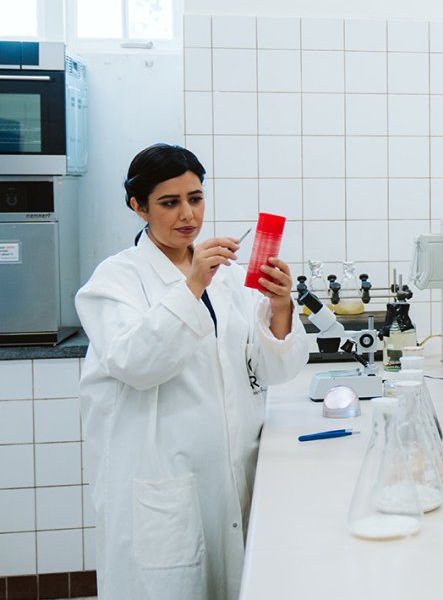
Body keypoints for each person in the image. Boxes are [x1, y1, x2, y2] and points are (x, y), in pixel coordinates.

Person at [76, 144, 310, 599]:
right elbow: (136, 364)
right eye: (170, 202)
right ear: (137, 206)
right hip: (162, 483)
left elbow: (270, 369)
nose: (188, 214)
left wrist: (279, 307)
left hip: (229, 477)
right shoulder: (115, 281)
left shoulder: (225, 279)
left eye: (196, 198)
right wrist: (192, 285)